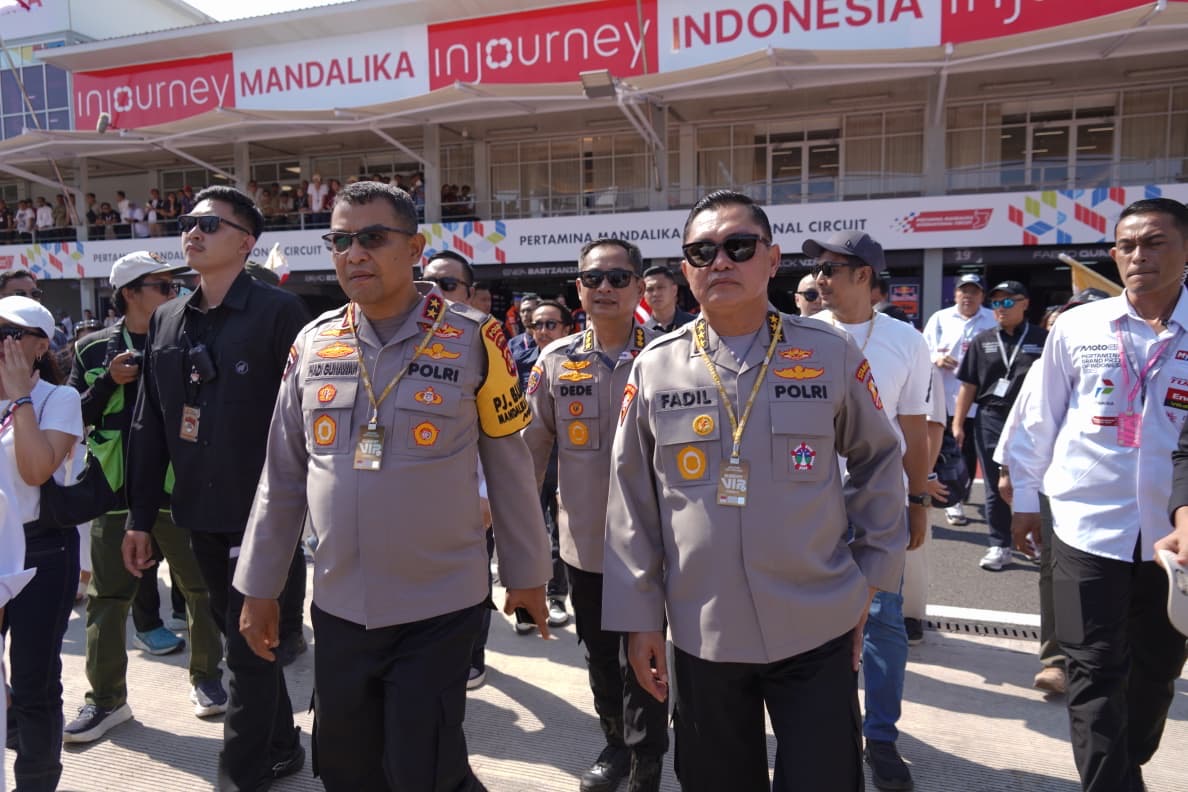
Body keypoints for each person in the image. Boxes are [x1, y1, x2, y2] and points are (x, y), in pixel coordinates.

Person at [233, 180, 551, 791]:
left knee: (421, 767)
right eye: (340, 241)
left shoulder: (476, 338)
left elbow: (509, 465)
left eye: (373, 238)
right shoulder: (313, 341)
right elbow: (283, 475)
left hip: (439, 604)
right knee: (345, 767)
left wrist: (527, 572)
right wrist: (259, 587)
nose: (354, 253)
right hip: (339, 603)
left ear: (414, 249)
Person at [604, 191, 907, 792]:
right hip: (703, 631)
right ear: (687, 269)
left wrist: (870, 580)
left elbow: (879, 459)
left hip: (815, 623)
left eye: (739, 247)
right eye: (702, 251)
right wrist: (640, 620)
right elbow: (630, 499)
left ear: (772, 260)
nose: (720, 261)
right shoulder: (656, 366)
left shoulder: (828, 352)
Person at [121, 185, 310, 790]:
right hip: (198, 511)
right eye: (187, 222)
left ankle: (241, 775)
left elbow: (307, 422)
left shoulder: (281, 314)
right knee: (240, 636)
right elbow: (150, 423)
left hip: (267, 516)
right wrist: (139, 518)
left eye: (209, 224)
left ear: (246, 242)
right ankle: (281, 746)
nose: (192, 233)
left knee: (249, 650)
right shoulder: (167, 318)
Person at [1009, 197, 1188, 792]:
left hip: (1173, 539)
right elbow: (1040, 418)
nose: (1139, 256)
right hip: (1084, 526)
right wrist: (1026, 500)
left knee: (1156, 672)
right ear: (1114, 255)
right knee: (1092, 668)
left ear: (1185, 249)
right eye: (1127, 246)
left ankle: (1126, 764)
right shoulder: (1079, 327)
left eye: (1155, 242)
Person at [61, 251, 226, 745]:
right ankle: (106, 699)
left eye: (176, 286)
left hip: (178, 489)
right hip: (114, 493)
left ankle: (206, 678)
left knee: (199, 589)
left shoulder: (189, 338)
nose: (176, 293)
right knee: (108, 598)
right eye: (164, 286)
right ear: (130, 293)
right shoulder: (92, 349)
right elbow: (73, 419)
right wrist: (108, 381)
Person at [522, 239, 668, 792]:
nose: (604, 287)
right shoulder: (556, 360)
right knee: (603, 656)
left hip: (660, 545)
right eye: (592, 278)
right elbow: (529, 455)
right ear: (578, 288)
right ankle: (616, 744)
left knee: (650, 657)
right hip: (586, 544)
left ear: (639, 287)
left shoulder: (669, 355)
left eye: (618, 278)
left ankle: (648, 758)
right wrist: (518, 537)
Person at [807, 229, 932, 791]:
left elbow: (914, 427)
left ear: (864, 276)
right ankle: (830, 725)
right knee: (813, 620)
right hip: (808, 503)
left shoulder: (906, 341)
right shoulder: (803, 335)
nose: (819, 279)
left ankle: (880, 738)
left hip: (879, 504)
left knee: (883, 620)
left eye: (831, 269)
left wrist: (917, 499)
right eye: (818, 270)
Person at [0, 295, 84, 791]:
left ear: (38, 345)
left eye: (9, 334)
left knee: (33, 680)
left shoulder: (59, 399)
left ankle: (35, 781)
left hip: (42, 551)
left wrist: (19, 398)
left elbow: (35, 470)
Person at [952, 281, 1047, 571]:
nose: (1000, 309)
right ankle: (999, 544)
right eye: (995, 303)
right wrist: (958, 424)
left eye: (1007, 302)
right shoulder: (982, 341)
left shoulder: (1043, 338)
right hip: (991, 417)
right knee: (996, 484)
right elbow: (969, 385)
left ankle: (1037, 540)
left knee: (1035, 480)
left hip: (1032, 419)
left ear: (1025, 304)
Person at [922, 273, 997, 526]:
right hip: (944, 398)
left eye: (974, 292)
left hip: (979, 401)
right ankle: (952, 500)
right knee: (946, 451)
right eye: (964, 291)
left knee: (972, 453)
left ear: (982, 296)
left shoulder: (991, 318)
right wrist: (937, 358)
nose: (968, 296)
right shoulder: (940, 318)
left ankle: (963, 492)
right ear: (955, 294)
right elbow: (923, 349)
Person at [642, 264, 694, 333]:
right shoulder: (641, 332)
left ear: (674, 290)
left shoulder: (694, 324)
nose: (655, 294)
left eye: (660, 287)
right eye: (650, 289)